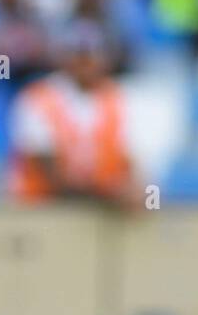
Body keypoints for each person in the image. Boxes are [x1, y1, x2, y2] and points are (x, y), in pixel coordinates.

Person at [8, 20, 138, 206]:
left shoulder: (117, 100)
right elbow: (51, 175)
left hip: (98, 215)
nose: (85, 62)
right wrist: (107, 195)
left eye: (92, 55)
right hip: (41, 212)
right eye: (79, 55)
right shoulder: (37, 100)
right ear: (63, 57)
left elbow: (130, 163)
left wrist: (130, 190)